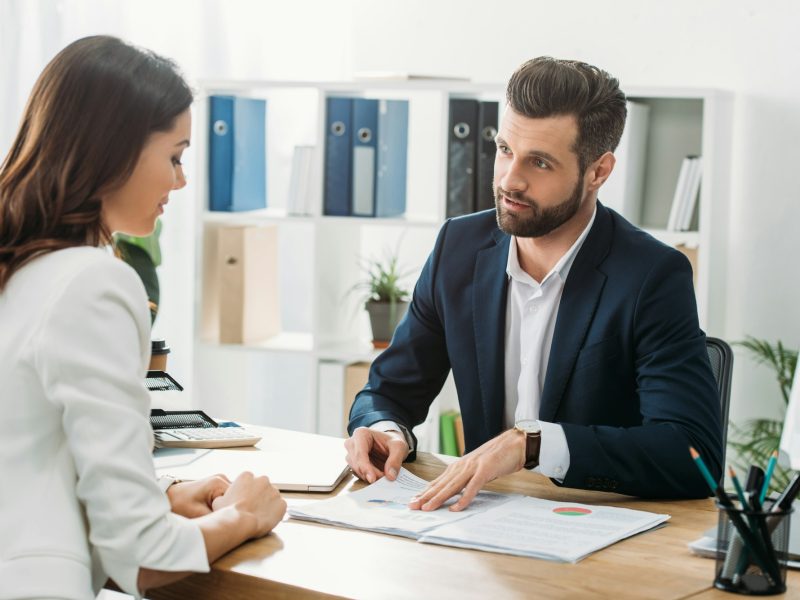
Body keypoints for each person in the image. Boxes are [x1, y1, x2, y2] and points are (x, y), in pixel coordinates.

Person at [345, 57, 722, 509]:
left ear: (598, 171)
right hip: (480, 519)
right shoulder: (457, 248)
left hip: (596, 529)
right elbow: (389, 391)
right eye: (505, 149)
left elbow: (692, 454)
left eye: (539, 162)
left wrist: (533, 444)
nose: (510, 179)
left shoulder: (651, 276)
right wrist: (385, 430)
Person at [0, 36, 286, 600]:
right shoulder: (91, 282)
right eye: (175, 156)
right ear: (113, 151)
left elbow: (29, 466)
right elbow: (145, 560)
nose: (180, 181)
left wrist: (157, 499)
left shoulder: (20, 269)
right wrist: (246, 516)